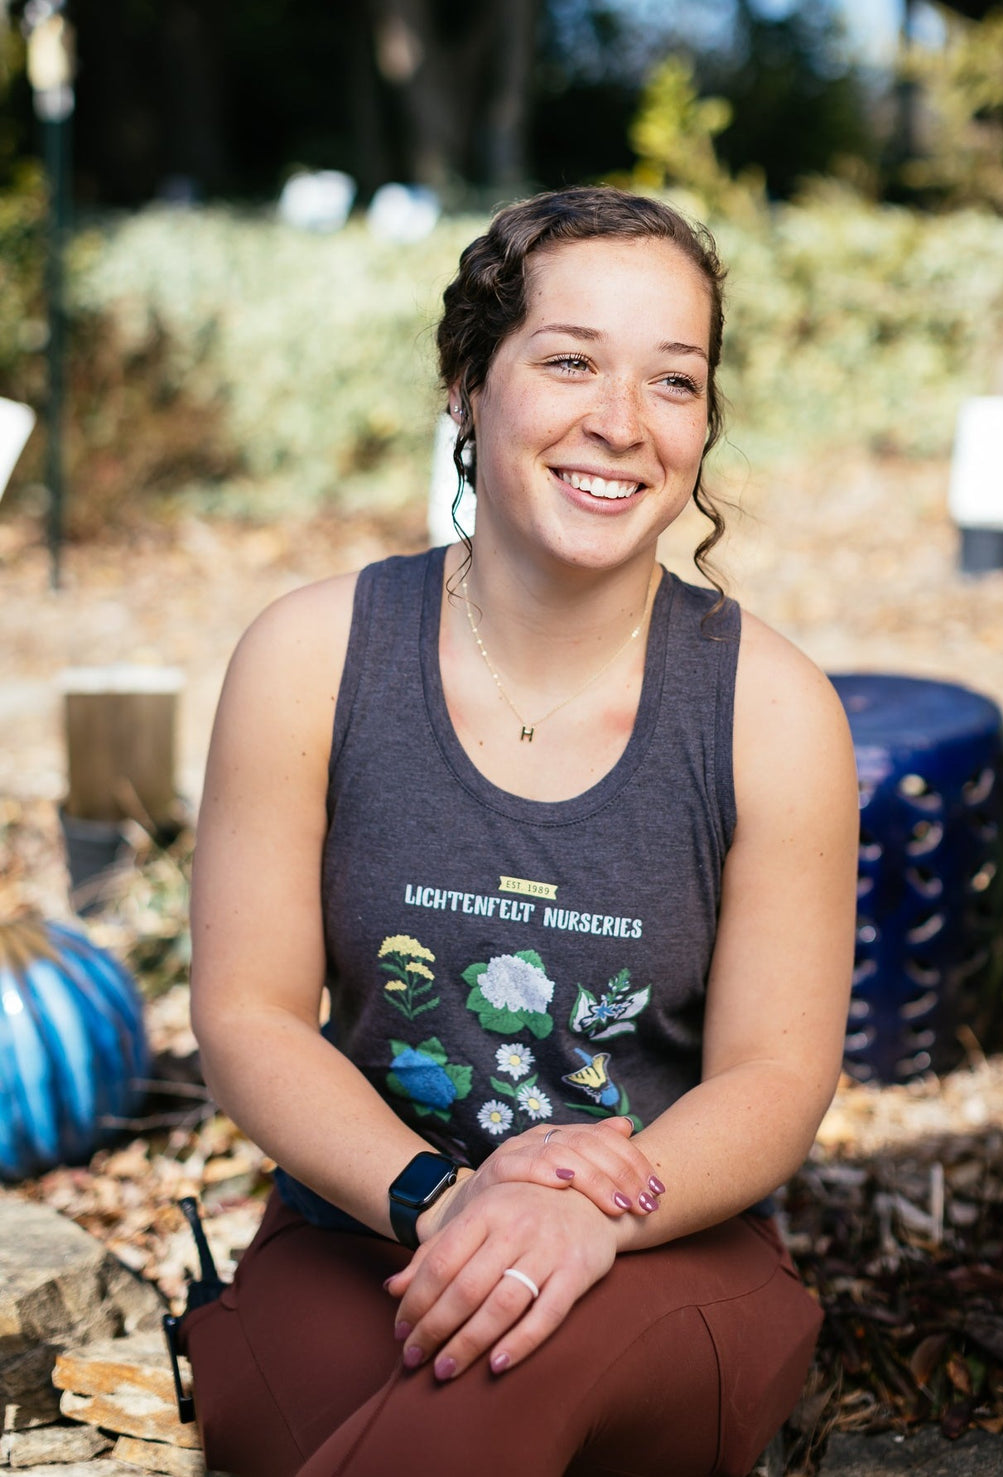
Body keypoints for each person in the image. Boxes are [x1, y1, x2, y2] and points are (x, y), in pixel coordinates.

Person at [181, 185, 858, 1477]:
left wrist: (582, 1217)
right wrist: (448, 1197)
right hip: (361, 1232)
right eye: (568, 361)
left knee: (487, 1392)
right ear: (464, 382)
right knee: (348, 1407)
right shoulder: (311, 657)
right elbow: (251, 1013)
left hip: (666, 1252)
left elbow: (777, 1076)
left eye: (674, 381)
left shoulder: (770, 710)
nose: (620, 422)